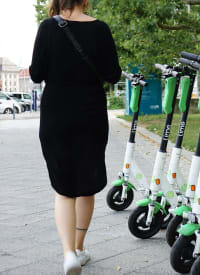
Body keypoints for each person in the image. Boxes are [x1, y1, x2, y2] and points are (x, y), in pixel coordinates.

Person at [29, 0, 121, 274]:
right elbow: (113, 75)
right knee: (86, 183)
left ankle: (68, 253)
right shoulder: (101, 29)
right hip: (91, 114)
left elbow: (36, 73)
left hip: (56, 114)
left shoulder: (47, 27)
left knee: (64, 189)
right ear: (85, 0)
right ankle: (80, 249)